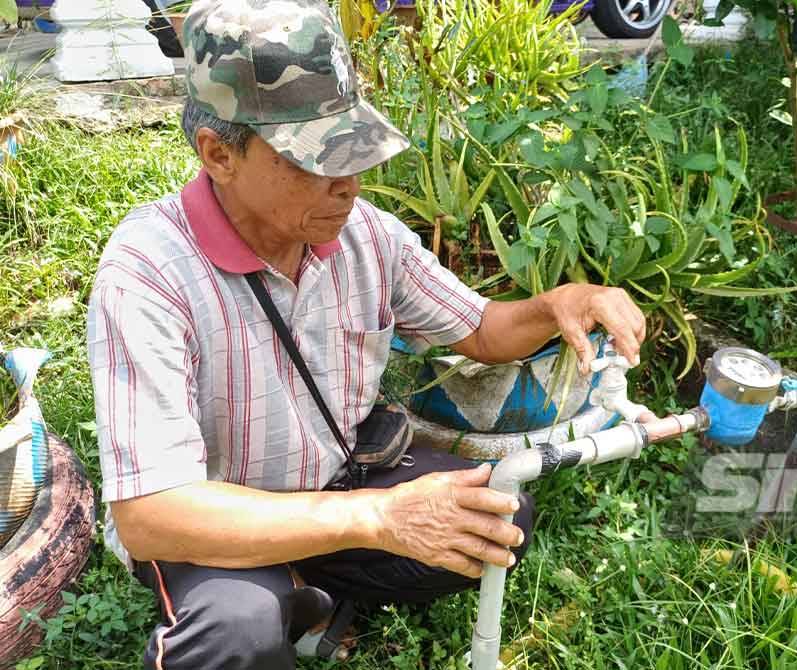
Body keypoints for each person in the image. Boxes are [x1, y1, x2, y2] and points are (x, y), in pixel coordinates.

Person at [86, 1, 647, 668]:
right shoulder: (147, 273)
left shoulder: (364, 235)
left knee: (497, 516)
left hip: (332, 486)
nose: (349, 184)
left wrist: (558, 303)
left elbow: (479, 329)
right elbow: (152, 515)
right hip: (215, 517)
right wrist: (380, 520)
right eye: (314, 161)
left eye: (353, 150)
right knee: (233, 633)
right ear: (218, 155)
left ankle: (298, 585)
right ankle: (270, 593)